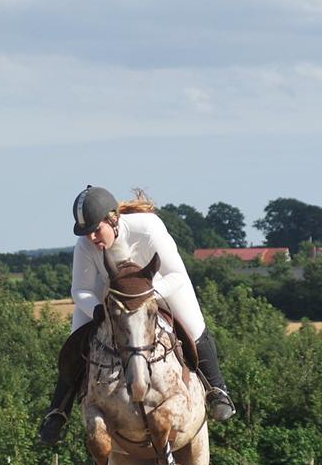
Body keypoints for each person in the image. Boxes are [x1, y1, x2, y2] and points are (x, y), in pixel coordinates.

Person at [37, 185, 235, 445]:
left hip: (161, 285)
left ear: (113, 218)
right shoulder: (85, 247)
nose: (92, 238)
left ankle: (217, 390)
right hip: (109, 294)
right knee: (77, 338)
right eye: (86, 233)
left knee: (192, 323)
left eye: (97, 229)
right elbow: (81, 290)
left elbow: (175, 273)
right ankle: (58, 411)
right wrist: (98, 309)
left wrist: (147, 296)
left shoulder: (148, 228)